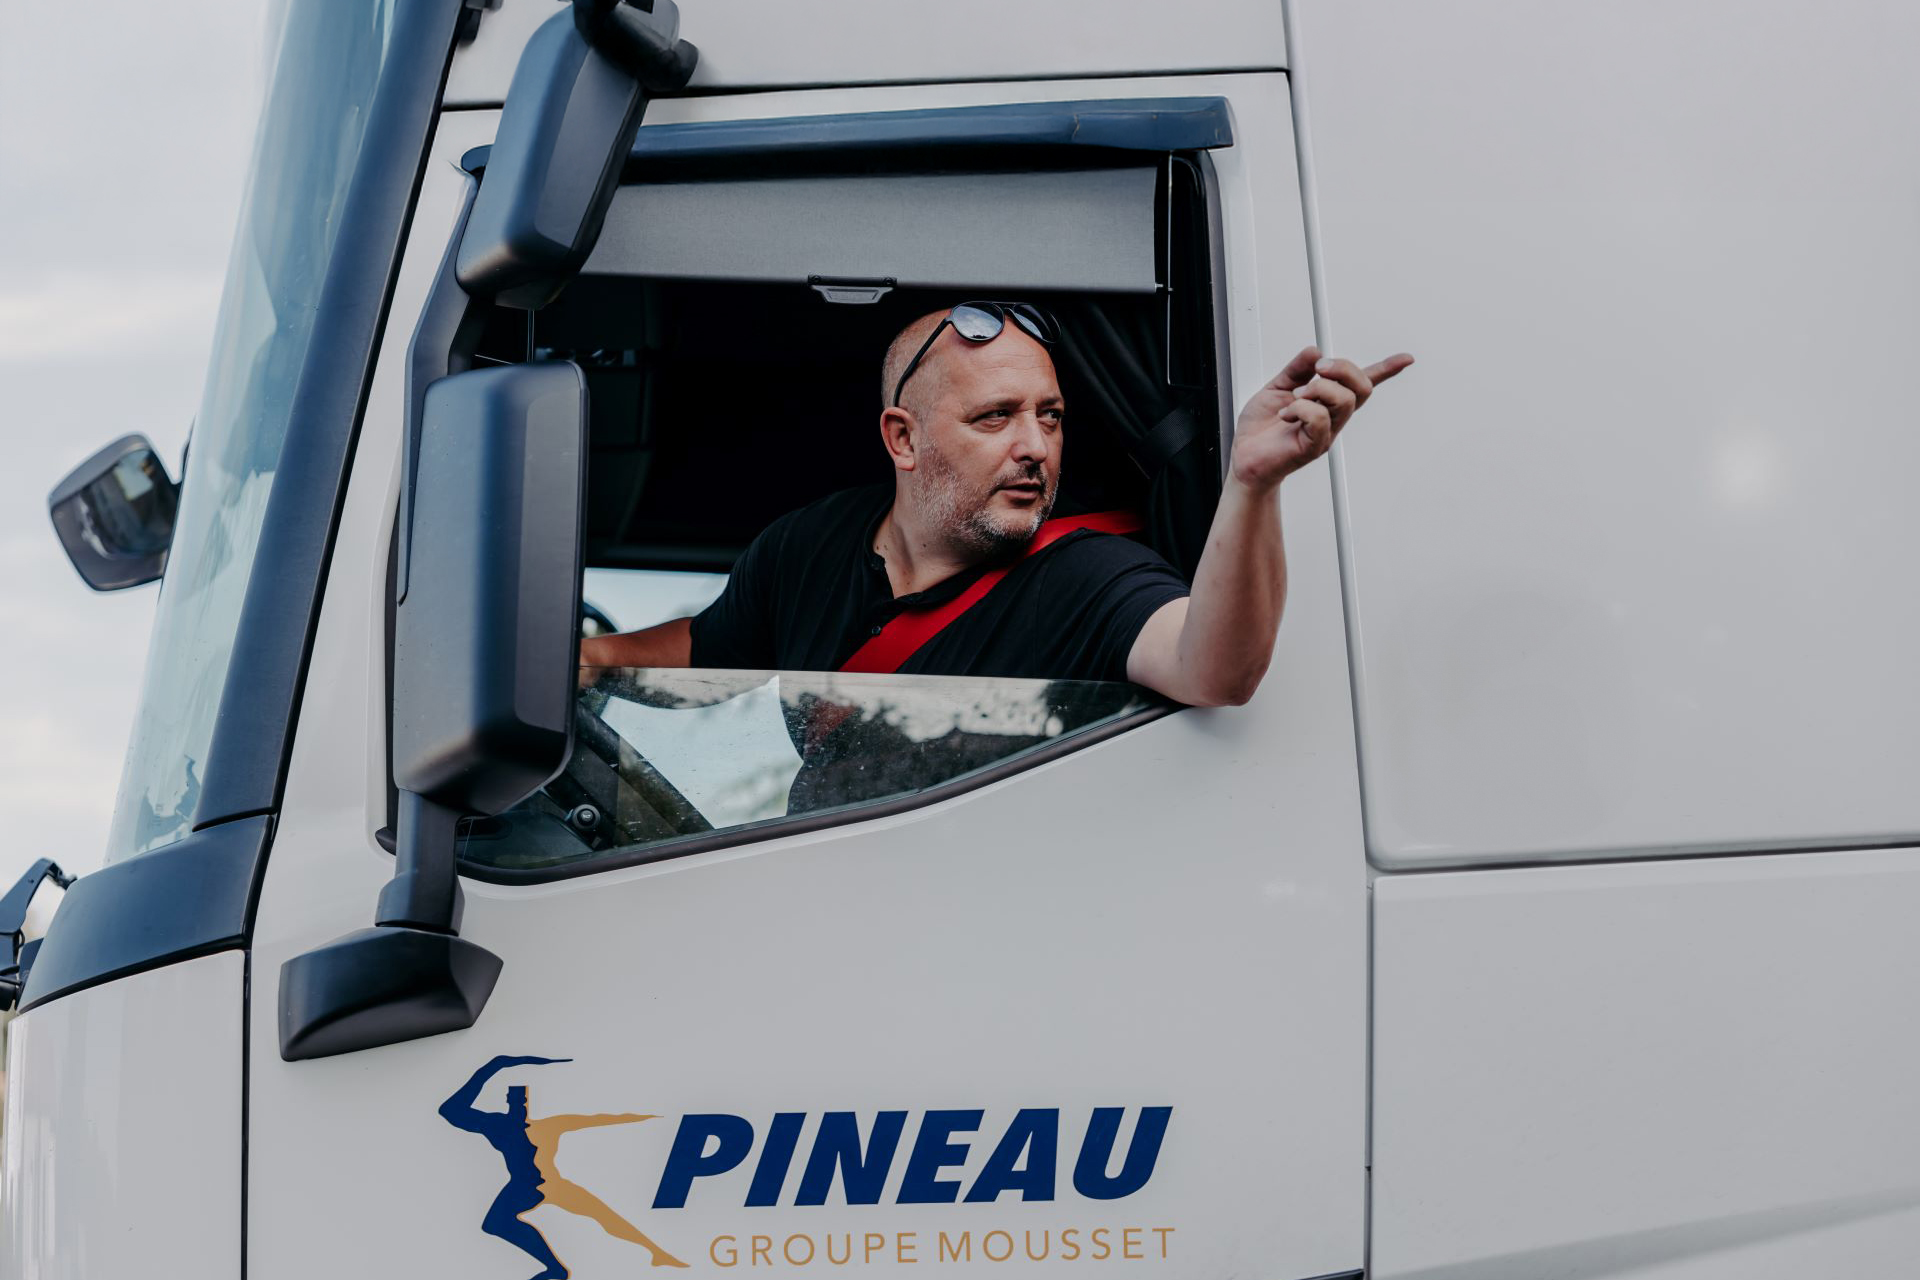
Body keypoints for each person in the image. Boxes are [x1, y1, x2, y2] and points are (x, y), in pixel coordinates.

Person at [580, 302, 1411, 706]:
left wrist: (1252, 483)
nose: (1036, 446)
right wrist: (589, 659)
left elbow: (1216, 669)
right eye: (995, 417)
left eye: (1049, 416)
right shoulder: (811, 544)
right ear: (902, 439)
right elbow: (714, 650)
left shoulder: (1089, 576)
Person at [439, 1054, 688, 1274]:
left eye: (522, 1101)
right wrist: (496, 1065)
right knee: (495, 1223)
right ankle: (555, 1268)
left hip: (547, 1184)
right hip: (524, 1187)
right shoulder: (498, 1126)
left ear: (527, 1104)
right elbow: (450, 1110)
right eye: (514, 1101)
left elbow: (598, 1120)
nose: (519, 1106)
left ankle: (656, 1253)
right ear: (507, 1104)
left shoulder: (546, 1126)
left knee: (603, 1215)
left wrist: (642, 1118)